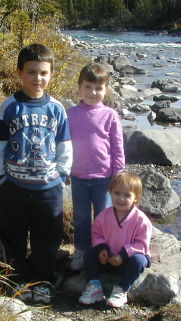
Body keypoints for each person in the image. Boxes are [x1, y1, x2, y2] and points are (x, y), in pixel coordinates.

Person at [0, 43, 72, 304]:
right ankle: (19, 279)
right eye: (31, 72)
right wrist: (0, 176)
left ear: (51, 75)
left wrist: (62, 176)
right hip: (13, 185)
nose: (38, 78)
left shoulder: (56, 108)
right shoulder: (10, 106)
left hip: (48, 188)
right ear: (19, 73)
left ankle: (44, 280)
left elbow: (64, 145)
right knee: (12, 233)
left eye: (43, 73)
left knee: (47, 237)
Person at [67, 62, 125, 271]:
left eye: (98, 88)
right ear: (79, 87)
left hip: (104, 177)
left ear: (106, 90)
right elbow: (63, 145)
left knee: (104, 216)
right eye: (88, 87)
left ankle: (104, 250)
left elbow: (118, 147)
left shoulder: (110, 115)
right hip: (78, 176)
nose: (93, 92)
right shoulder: (70, 114)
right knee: (81, 216)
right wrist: (63, 170)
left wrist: (118, 174)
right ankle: (81, 250)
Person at [78, 171, 152, 308]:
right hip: (108, 258)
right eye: (117, 193)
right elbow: (96, 233)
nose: (121, 199)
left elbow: (142, 244)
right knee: (89, 253)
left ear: (136, 199)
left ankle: (121, 289)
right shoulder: (104, 215)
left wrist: (123, 255)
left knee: (140, 260)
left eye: (127, 195)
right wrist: (102, 249)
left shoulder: (141, 220)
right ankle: (95, 286)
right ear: (110, 193)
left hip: (128, 259)